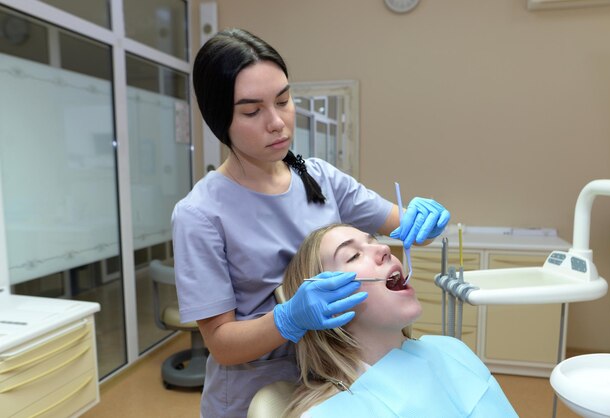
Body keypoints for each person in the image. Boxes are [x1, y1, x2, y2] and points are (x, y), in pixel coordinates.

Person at [172, 28, 450, 418]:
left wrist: (425, 221)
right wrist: (288, 319)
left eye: (284, 100)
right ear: (221, 119)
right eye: (252, 111)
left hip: (333, 381)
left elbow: (401, 226)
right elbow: (221, 343)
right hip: (253, 396)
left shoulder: (318, 177)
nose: (278, 122)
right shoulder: (199, 214)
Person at [281, 224, 518, 418]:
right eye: (353, 255)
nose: (384, 248)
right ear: (326, 305)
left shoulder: (451, 349)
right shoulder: (329, 414)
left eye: (374, 242)